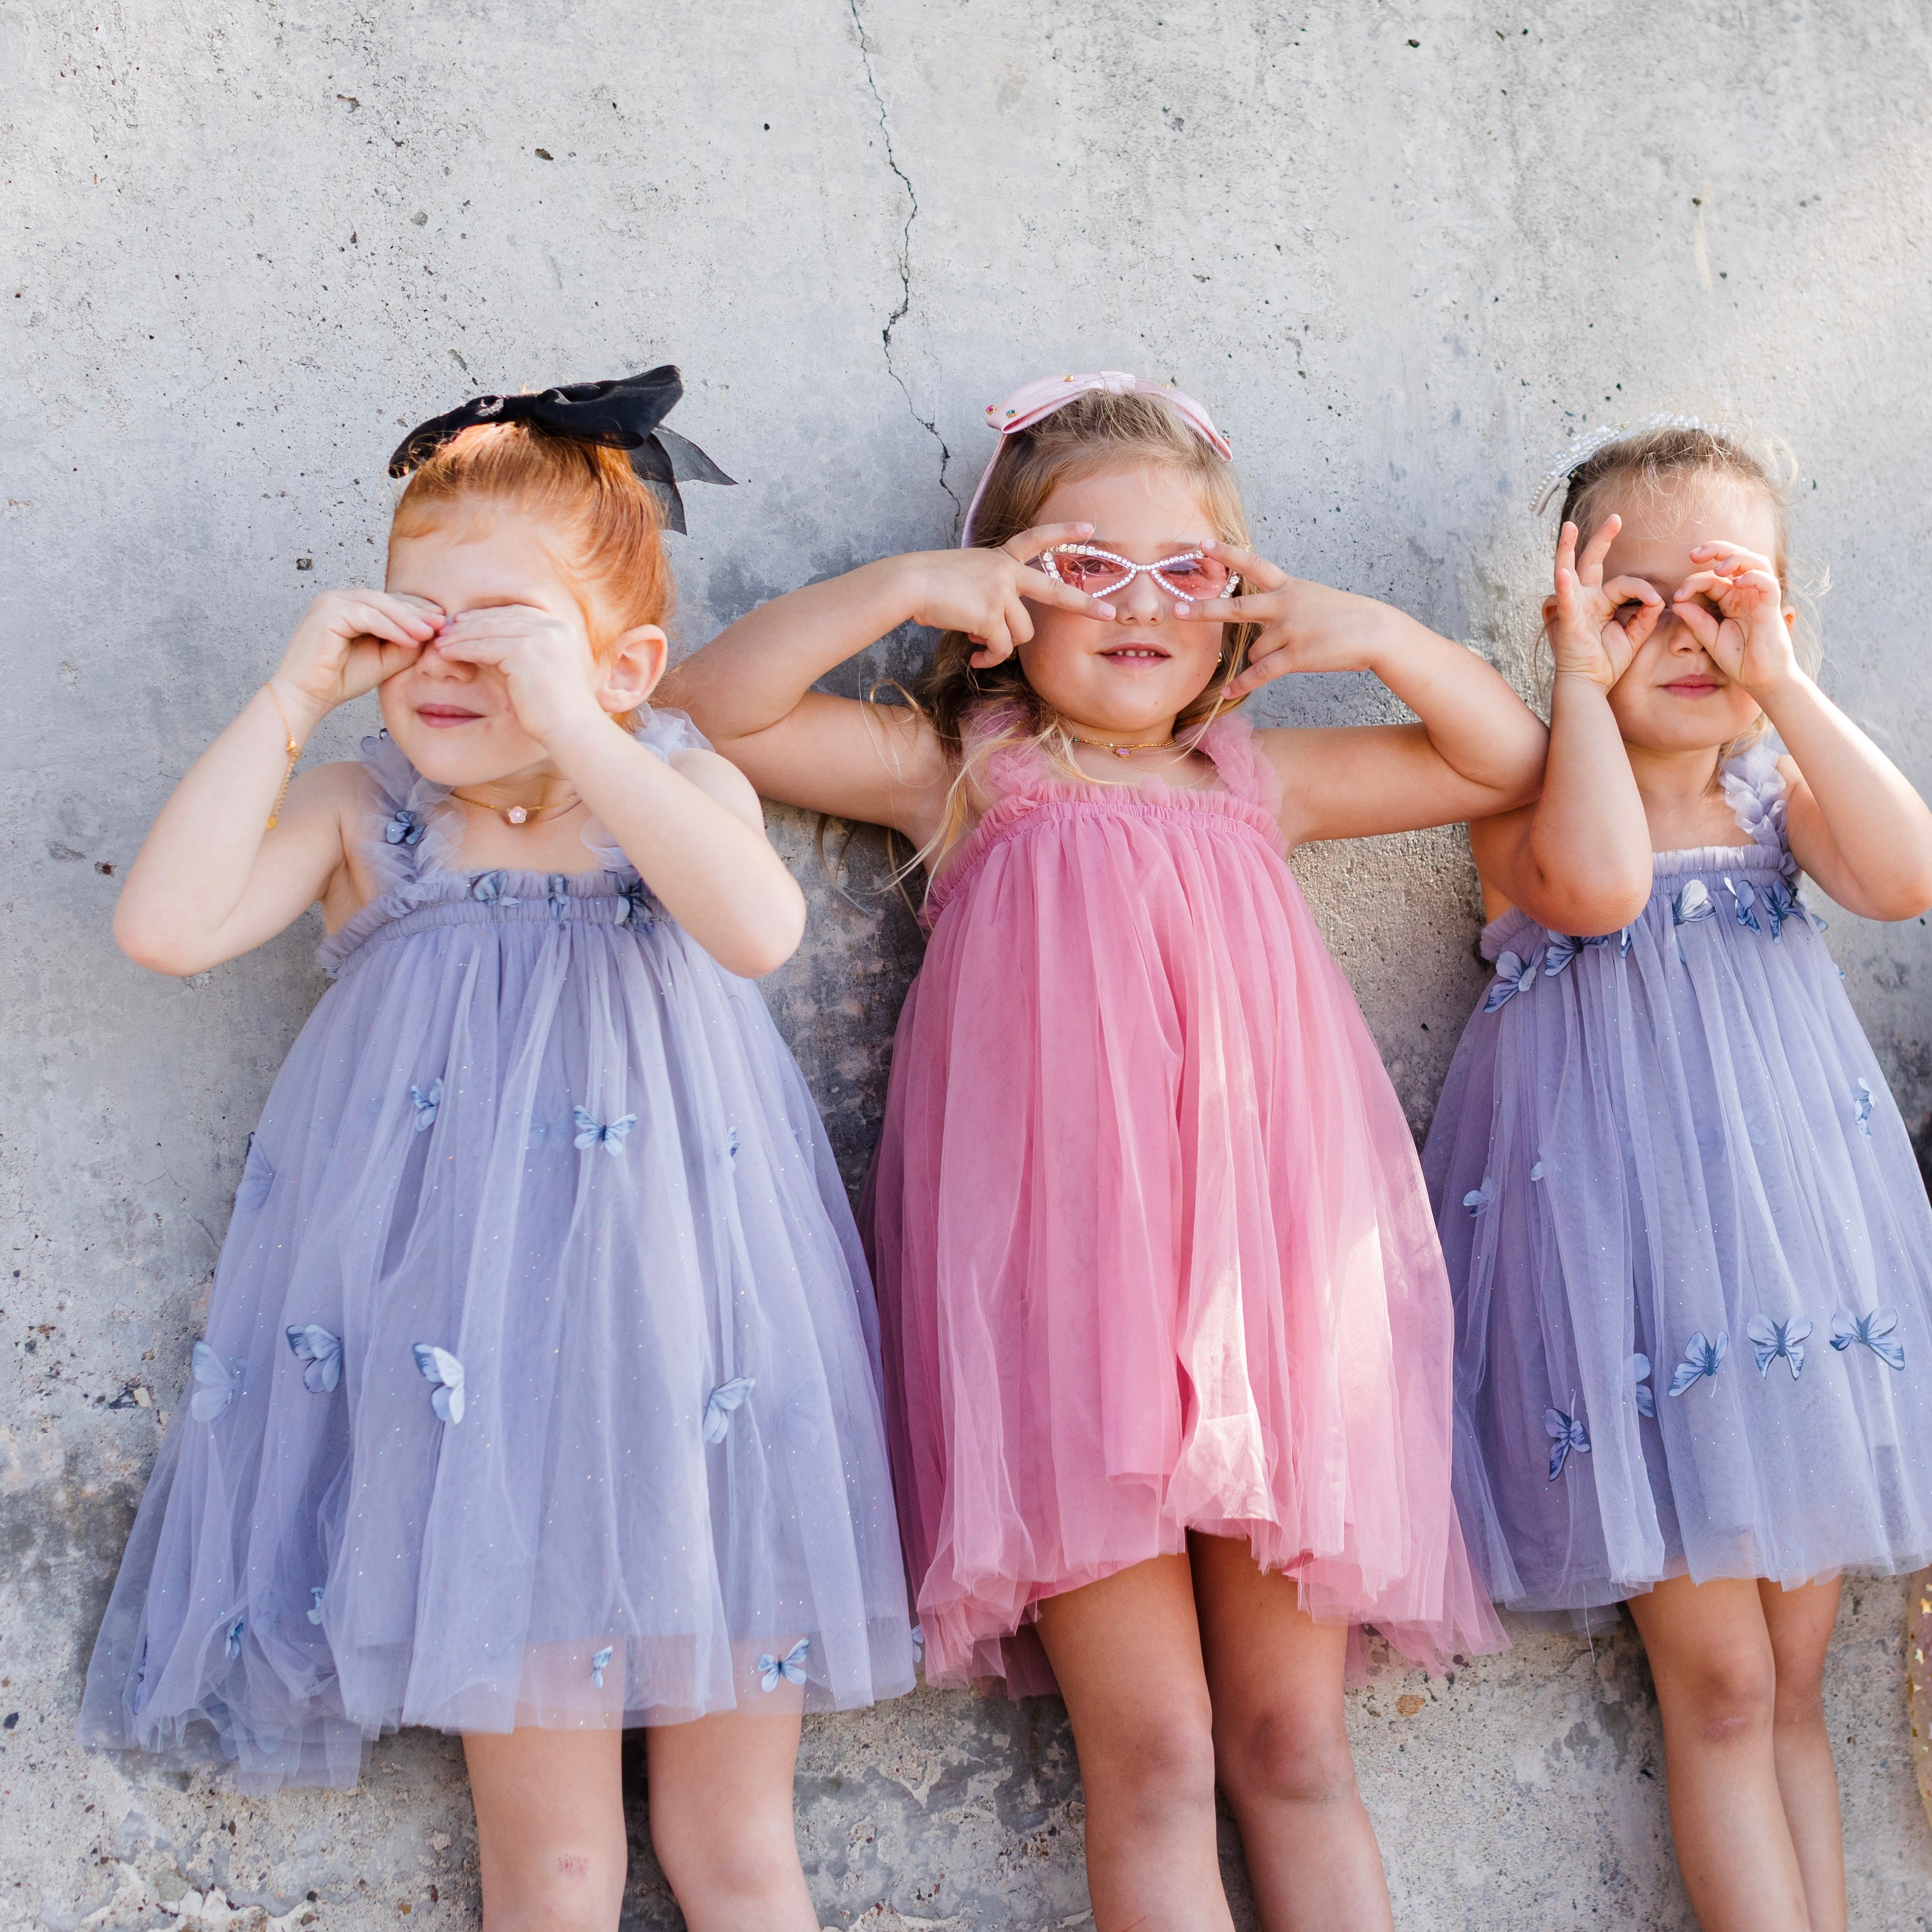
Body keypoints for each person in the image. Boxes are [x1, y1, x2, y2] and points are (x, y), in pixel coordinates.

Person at [667, 372, 1539, 1931]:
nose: (1139, 603)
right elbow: (709, 710)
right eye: (1084, 566)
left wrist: (1378, 637)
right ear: (1006, 598)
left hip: (1277, 1322)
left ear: (1237, 600)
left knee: (1293, 1749)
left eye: (1186, 571)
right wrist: (905, 588)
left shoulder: (1258, 782)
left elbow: (1501, 762)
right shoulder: (963, 774)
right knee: (1154, 1757)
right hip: (1066, 1340)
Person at [78, 370, 916, 1932]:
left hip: (696, 1380)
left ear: (623, 665)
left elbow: (755, 925)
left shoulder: (672, 786)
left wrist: (583, 726)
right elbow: (165, 927)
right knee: (554, 1866)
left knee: (736, 1847)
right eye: (419, 624)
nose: (450, 662)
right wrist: (291, 696)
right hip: (475, 1411)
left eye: (506, 630)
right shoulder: (367, 814)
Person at [1426, 419, 1932, 1932]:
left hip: (1791, 1287)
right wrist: (1583, 685)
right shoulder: (1532, 796)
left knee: (1794, 1685)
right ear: (1567, 610)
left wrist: (1782, 680)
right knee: (1717, 1686)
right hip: (1636, 1295)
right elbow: (1593, 891)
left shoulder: (1774, 796)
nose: (1688, 637)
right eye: (1636, 602)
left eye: (1724, 598)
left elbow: (1902, 874)